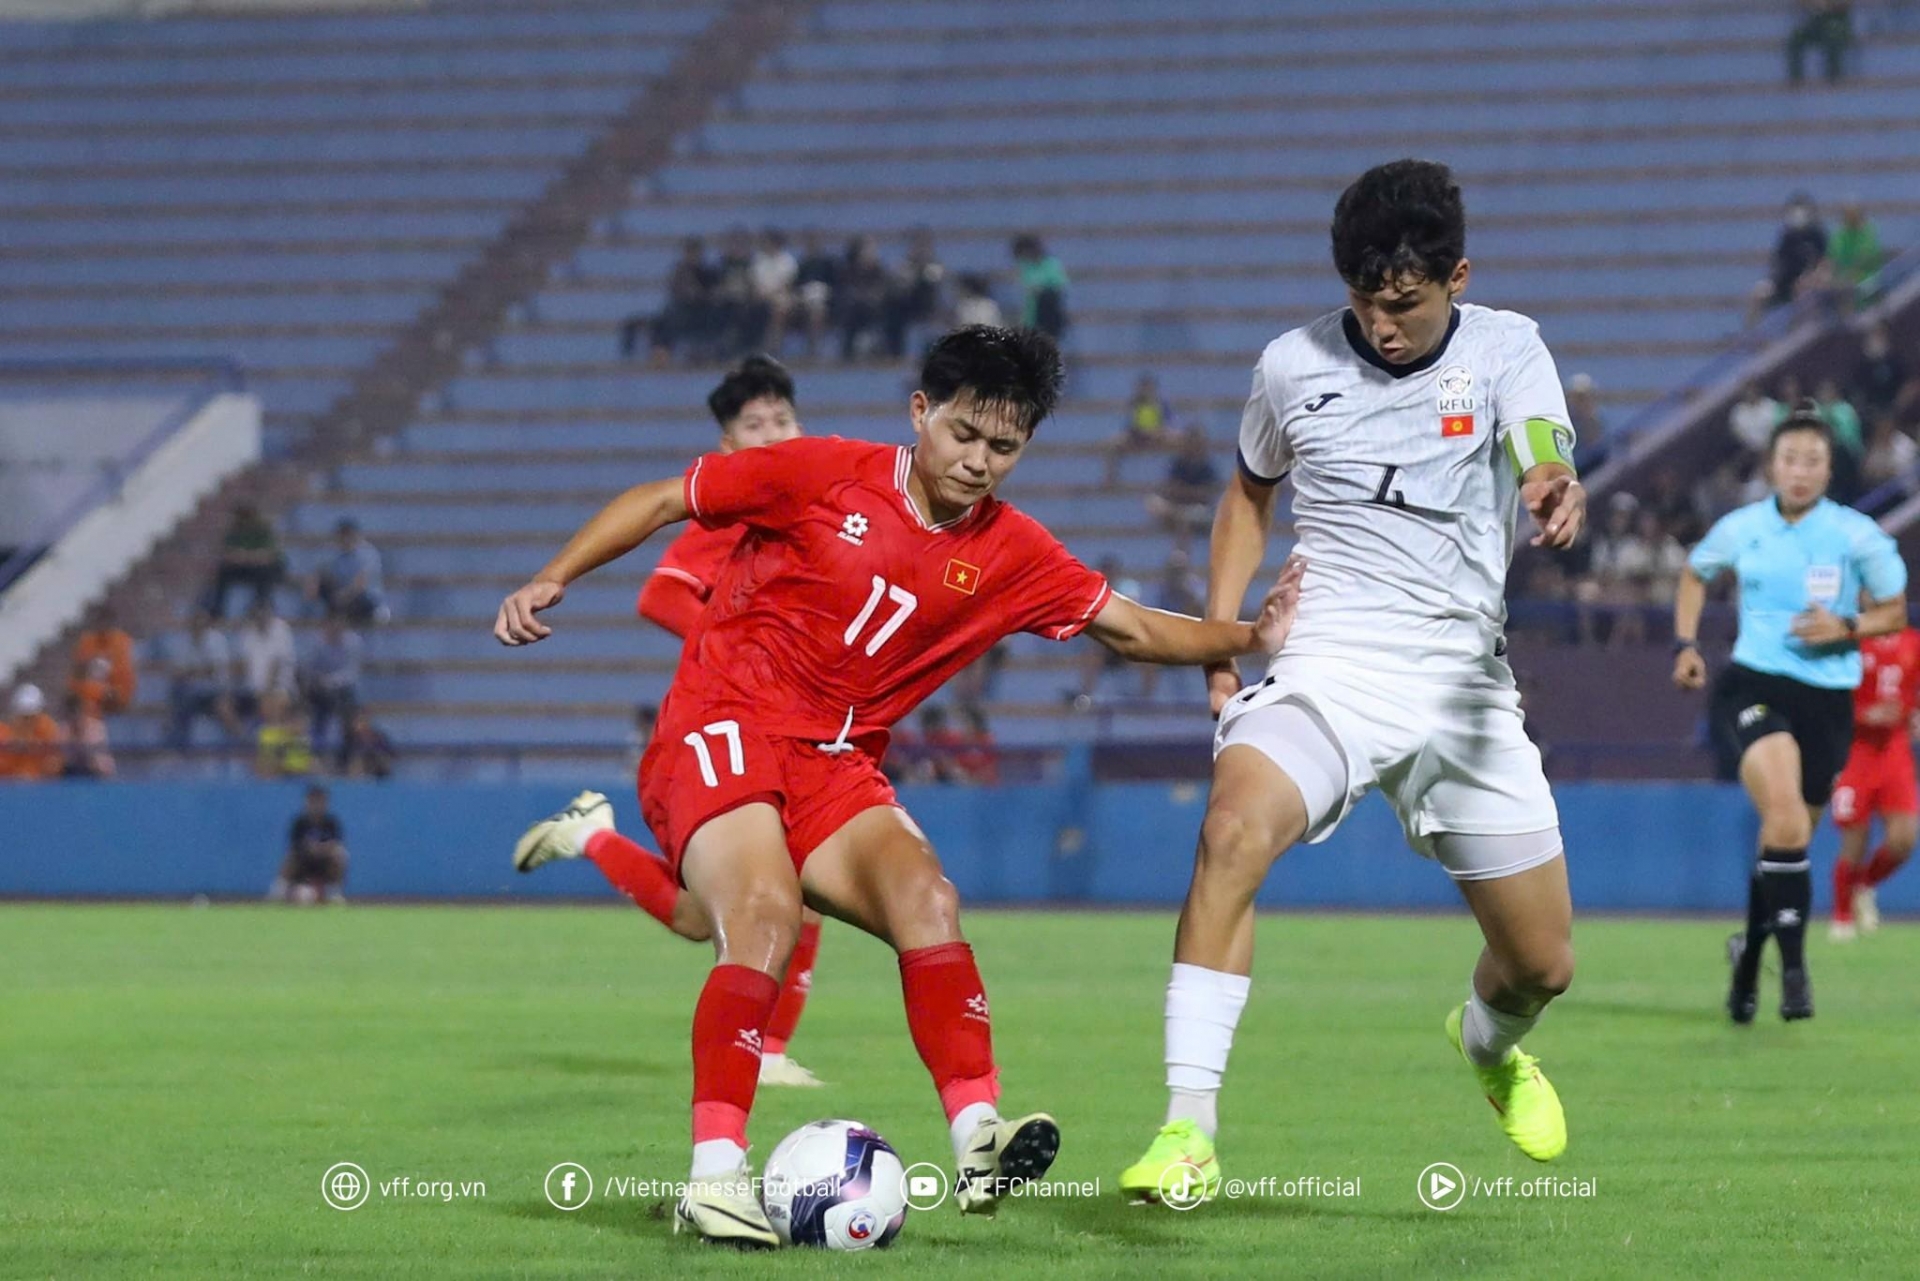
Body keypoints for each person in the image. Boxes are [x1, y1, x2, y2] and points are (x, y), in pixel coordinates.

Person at [494, 324, 1301, 1246]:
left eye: (1004, 447)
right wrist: (552, 576)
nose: (979, 461)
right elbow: (665, 499)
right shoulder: (821, 472)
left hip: (834, 760)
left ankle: (978, 1137)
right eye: (964, 433)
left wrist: (1249, 637)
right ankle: (715, 1177)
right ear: (921, 412)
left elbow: (1132, 628)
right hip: (722, 722)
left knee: (928, 896)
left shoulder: (1012, 550)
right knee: (763, 914)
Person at [1120, 159, 1590, 1205]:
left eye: (1406, 303)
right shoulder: (1291, 366)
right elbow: (1248, 496)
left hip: (1464, 686)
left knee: (1542, 965)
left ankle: (1487, 1045)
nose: (1384, 324)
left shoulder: (1508, 348)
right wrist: (1219, 643)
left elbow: (1542, 446)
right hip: (1330, 662)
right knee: (1232, 830)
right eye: (1366, 301)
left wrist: (1554, 480)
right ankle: (1187, 1129)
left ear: (1458, 278)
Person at [570, 354, 828, 1089]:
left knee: (719, 912)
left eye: (783, 419)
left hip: (783, 721)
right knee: (782, 895)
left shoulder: (810, 501)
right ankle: (764, 1053)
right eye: (755, 424)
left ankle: (592, 835)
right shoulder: (742, 505)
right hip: (733, 725)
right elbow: (660, 594)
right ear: (727, 445)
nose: (773, 432)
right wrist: (743, 652)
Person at [1672, 408, 1907, 1024]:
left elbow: (1895, 611)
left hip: (1826, 700)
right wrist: (1686, 645)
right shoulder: (1743, 527)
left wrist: (1847, 625)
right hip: (1754, 685)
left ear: (1829, 470)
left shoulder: (1857, 535)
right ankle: (1796, 973)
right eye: (1789, 459)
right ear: (1771, 466)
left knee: (1788, 838)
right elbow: (1695, 574)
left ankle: (1750, 958)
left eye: (1812, 461)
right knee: (1782, 815)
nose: (1800, 471)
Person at [1829, 626, 1920, 939]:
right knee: (1855, 837)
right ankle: (1841, 918)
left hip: (1895, 749)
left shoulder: (1912, 642)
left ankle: (1864, 885)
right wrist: (1865, 714)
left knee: (1903, 839)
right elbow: (1830, 700)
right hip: (1856, 750)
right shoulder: (1852, 643)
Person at [627, 235, 714, 362]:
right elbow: (680, 292)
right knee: (665, 322)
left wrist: (698, 295)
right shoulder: (680, 272)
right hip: (681, 312)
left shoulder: (707, 273)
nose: (693, 256)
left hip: (699, 314)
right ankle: (660, 353)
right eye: (690, 252)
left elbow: (706, 296)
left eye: (695, 253)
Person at [163, 609, 240, 749]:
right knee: (178, 693)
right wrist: (195, 672)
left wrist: (191, 672)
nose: (198, 626)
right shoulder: (183, 642)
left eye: (201, 622)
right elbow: (177, 672)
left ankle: (240, 742)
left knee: (223, 706)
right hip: (193, 691)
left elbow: (214, 670)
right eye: (195, 622)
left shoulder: (216, 639)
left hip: (216, 688)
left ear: (206, 624)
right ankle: (177, 742)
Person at [1747, 195, 1828, 327]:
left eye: (1801, 211)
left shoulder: (1817, 236)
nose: (1798, 215)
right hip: (1784, 283)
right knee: (1758, 294)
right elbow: (1778, 263)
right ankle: (1751, 334)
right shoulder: (1786, 236)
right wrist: (1770, 281)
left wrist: (1810, 278)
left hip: (1807, 283)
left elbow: (1824, 263)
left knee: (1804, 290)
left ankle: (1801, 331)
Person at [269, 785, 347, 904]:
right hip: (304, 861)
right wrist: (309, 848)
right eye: (313, 801)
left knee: (341, 855)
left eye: (320, 801)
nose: (317, 805)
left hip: (324, 861)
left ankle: (333, 892)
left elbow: (336, 843)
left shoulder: (331, 823)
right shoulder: (299, 823)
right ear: (307, 802)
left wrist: (321, 848)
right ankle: (279, 891)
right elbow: (295, 845)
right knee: (290, 857)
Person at [1145, 422, 1221, 542]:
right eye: (1191, 442)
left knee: (1191, 516)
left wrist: (1185, 492)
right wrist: (1186, 492)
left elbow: (1205, 495)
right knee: (1153, 502)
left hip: (1199, 509)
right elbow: (1171, 489)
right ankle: (1177, 518)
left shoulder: (1208, 468)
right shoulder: (1178, 464)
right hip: (1178, 506)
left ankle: (1181, 547)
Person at [206, 503, 285, 619]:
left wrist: (246, 556)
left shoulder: (263, 531)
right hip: (245, 567)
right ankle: (217, 610)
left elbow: (269, 555)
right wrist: (244, 557)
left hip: (263, 568)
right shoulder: (234, 532)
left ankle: (261, 606)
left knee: (265, 573)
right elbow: (228, 554)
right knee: (224, 572)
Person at [302, 618, 362, 765]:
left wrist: (330, 682)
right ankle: (317, 751)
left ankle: (345, 755)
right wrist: (318, 681)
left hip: (343, 689)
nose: (334, 632)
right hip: (319, 689)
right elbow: (308, 669)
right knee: (319, 702)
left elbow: (351, 674)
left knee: (348, 708)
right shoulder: (316, 643)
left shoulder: (353, 642)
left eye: (338, 628)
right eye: (330, 628)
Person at [307, 519, 386, 625]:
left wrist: (341, 597)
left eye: (348, 535)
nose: (345, 539)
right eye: (342, 536)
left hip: (366, 600)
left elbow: (361, 584)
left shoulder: (367, 553)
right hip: (343, 597)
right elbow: (322, 576)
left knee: (355, 602)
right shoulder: (334, 554)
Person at [233, 597, 297, 724]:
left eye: (264, 614)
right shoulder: (247, 633)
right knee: (225, 704)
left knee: (270, 704)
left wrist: (264, 692)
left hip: (279, 688)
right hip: (250, 690)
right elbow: (242, 665)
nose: (261, 618)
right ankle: (243, 736)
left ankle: (272, 735)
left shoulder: (282, 630)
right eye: (257, 615)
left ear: (270, 614)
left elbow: (276, 667)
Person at [69, 605, 136, 716]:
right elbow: (78, 674)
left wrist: (107, 690)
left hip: (115, 694)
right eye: (100, 622)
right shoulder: (87, 642)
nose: (103, 627)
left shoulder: (123, 642)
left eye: (106, 623)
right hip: (89, 694)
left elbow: (125, 676)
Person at [1107, 374, 1173, 485]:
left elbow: (1168, 423)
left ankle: (1174, 477)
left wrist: (1157, 431)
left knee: (1177, 438)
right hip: (1138, 435)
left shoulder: (1161, 404)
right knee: (1113, 443)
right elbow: (1130, 425)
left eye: (1148, 388)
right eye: (1143, 388)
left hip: (1157, 435)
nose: (1145, 391)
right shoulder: (1134, 404)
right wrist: (1139, 432)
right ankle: (1111, 478)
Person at [0, 684, 65, 781]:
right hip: (10, 785)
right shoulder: (4, 733)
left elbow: (56, 764)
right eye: (24, 716)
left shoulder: (47, 729)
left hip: (40, 785)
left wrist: (35, 748)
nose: (27, 721)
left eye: (31, 716)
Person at [1011, 234, 1069, 340]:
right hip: (1031, 317)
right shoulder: (1025, 267)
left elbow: (1058, 286)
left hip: (1048, 314)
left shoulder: (1051, 264)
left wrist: (1040, 289)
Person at [1787, 0, 1853, 85]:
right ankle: (1796, 78)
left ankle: (1834, 76)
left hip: (1837, 19)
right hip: (1817, 20)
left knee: (1833, 35)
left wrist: (1828, 6)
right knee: (1796, 38)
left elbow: (1845, 4)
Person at [254, 688, 314, 779]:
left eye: (282, 706)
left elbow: (305, 760)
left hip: (299, 775)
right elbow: (264, 763)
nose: (275, 709)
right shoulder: (263, 731)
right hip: (274, 777)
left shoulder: (299, 728)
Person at [60, 692, 114, 780]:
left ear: (82, 711)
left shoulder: (96, 727)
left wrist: (82, 737)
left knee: (99, 764)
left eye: (77, 711)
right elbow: (64, 757)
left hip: (94, 770)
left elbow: (100, 758)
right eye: (71, 712)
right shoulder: (63, 729)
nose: (75, 716)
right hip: (71, 771)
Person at [340, 711, 396, 780]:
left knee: (382, 759)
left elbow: (388, 752)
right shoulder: (349, 738)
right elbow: (346, 755)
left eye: (364, 721)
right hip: (359, 766)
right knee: (357, 762)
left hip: (376, 765)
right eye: (359, 722)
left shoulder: (378, 737)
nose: (362, 725)